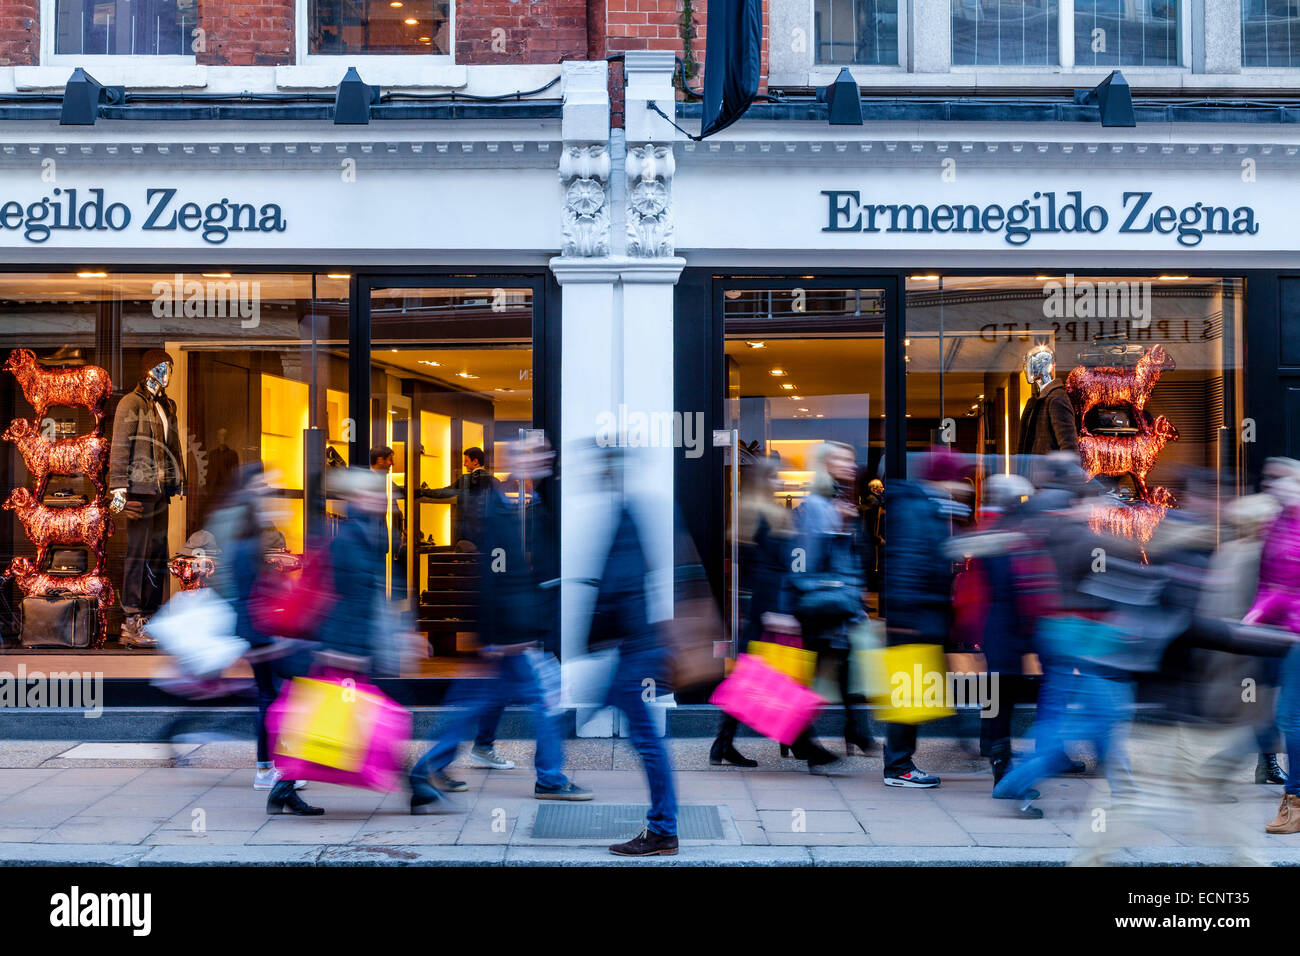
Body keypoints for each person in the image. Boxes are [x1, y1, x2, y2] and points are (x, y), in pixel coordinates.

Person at [408, 437, 591, 813]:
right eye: (535, 452)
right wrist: (499, 638)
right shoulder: (499, 508)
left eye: (546, 451)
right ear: (517, 462)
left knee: (477, 703)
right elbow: (493, 577)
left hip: (515, 633)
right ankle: (550, 779)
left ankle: (429, 768)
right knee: (544, 703)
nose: (546, 457)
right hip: (510, 635)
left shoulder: (528, 505)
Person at [587, 448, 680, 857]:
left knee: (646, 739)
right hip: (635, 647)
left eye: (603, 467)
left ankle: (663, 830)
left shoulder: (625, 515)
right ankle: (550, 772)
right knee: (635, 731)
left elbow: (621, 589)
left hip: (636, 649)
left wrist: (596, 632)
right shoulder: (629, 512)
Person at [206, 463, 312, 795]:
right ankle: (269, 768)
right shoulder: (243, 539)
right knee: (273, 695)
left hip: (258, 630)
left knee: (272, 694)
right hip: (257, 632)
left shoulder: (249, 532)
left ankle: (271, 765)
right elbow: (244, 591)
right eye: (262, 485)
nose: (267, 490)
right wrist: (264, 640)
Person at [878, 447, 965, 787]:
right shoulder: (917, 509)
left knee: (915, 692)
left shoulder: (922, 506)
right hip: (914, 617)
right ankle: (898, 766)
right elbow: (908, 563)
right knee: (907, 694)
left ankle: (906, 760)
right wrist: (906, 616)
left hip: (920, 614)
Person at [786, 442, 872, 775]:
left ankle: (844, 734)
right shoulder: (820, 507)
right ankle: (804, 740)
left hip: (835, 607)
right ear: (825, 464)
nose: (851, 465)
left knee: (834, 668)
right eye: (842, 459)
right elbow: (805, 560)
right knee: (810, 676)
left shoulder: (837, 503)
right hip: (822, 607)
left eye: (851, 460)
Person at [709, 455, 791, 768]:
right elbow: (750, 570)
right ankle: (800, 743)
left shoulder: (767, 513)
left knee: (754, 677)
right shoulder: (755, 514)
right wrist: (758, 610)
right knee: (757, 676)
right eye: (773, 477)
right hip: (762, 606)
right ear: (762, 481)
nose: (779, 481)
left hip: (765, 605)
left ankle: (724, 745)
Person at [1243, 458, 1300, 833]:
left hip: (1295, 635)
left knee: (1290, 719)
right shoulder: (1277, 524)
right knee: (1286, 718)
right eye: (1271, 479)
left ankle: (1293, 803)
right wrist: (1256, 615)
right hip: (1284, 635)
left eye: (1284, 480)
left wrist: (1258, 615)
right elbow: (1273, 586)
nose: (1274, 485)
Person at [417, 446, 498, 551]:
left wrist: (424, 492)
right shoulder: (494, 481)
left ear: (475, 462)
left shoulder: (465, 480)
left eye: (466, 461)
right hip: (488, 535)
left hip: (467, 534)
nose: (464, 464)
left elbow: (444, 492)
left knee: (465, 564)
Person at [369, 446, 407, 602]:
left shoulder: (385, 482)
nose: (392, 463)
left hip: (380, 542)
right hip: (371, 543)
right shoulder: (367, 482)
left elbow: (402, 496)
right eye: (390, 459)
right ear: (380, 460)